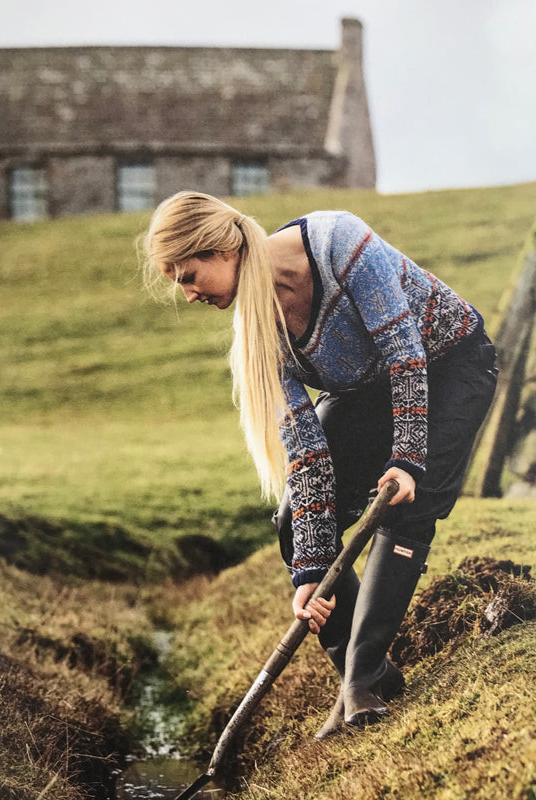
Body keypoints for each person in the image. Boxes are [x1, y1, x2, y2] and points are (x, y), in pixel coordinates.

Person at [141, 191, 498, 738]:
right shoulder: (260, 333)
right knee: (297, 524)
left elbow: (406, 353)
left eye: (189, 276)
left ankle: (360, 682)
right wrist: (309, 574)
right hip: (367, 393)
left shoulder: (337, 243)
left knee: (408, 504)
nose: (188, 295)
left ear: (220, 249)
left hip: (449, 365)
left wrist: (406, 460)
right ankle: (367, 676)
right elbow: (307, 458)